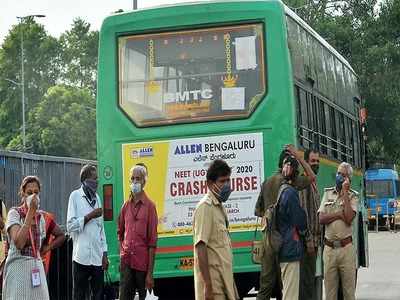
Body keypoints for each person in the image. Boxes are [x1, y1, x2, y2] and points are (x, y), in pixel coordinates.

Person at [254, 145, 315, 300]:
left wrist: (271, 216)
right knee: (287, 284)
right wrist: (300, 158)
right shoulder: (291, 182)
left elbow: (258, 211)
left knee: (266, 286)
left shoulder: (266, 183)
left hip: (268, 240)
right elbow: (312, 177)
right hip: (286, 240)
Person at [2, 176, 65, 300]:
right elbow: (19, 243)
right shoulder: (14, 213)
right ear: (23, 194)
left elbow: (61, 235)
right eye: (29, 193)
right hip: (18, 269)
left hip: (36, 268)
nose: (33, 195)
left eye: (36, 192)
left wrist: (47, 248)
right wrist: (30, 212)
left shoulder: (41, 217)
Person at [193, 159, 238, 300]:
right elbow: (200, 247)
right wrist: (208, 286)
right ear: (210, 184)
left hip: (224, 281)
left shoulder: (219, 206)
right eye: (222, 181)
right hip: (214, 284)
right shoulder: (205, 207)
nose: (226, 185)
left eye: (228, 180)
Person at [67, 164, 108, 300]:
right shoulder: (75, 196)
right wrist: (89, 216)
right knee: (79, 295)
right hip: (81, 257)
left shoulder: (97, 198)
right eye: (94, 178)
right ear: (85, 179)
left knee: (97, 295)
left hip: (97, 257)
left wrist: (105, 254)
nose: (96, 181)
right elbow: (70, 226)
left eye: (97, 179)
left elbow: (101, 230)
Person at [118, 164, 158, 300]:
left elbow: (152, 243)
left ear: (144, 182)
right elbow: (120, 232)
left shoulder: (150, 207)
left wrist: (150, 274)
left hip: (143, 265)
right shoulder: (125, 206)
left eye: (138, 179)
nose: (135, 182)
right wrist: (122, 254)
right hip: (127, 263)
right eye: (133, 179)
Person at [318, 162, 358, 300]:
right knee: (330, 294)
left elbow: (348, 218)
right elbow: (321, 218)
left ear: (348, 179)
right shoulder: (327, 193)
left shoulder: (353, 196)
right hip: (329, 250)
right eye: (338, 173)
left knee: (348, 293)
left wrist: (345, 192)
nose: (339, 176)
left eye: (343, 175)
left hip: (346, 249)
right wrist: (338, 214)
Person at [277, 155, 308, 300]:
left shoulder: (282, 190)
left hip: (284, 247)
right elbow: (300, 221)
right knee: (291, 294)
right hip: (290, 249)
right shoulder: (290, 193)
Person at [299, 149, 322, 300]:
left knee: (310, 280)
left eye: (317, 161)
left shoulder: (312, 184)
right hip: (307, 244)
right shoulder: (304, 183)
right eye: (313, 161)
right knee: (306, 283)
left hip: (314, 242)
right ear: (306, 163)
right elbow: (303, 214)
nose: (316, 164)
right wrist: (308, 241)